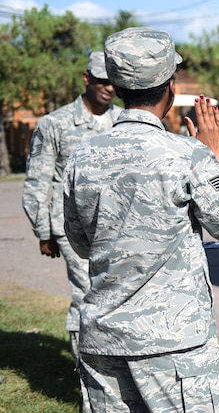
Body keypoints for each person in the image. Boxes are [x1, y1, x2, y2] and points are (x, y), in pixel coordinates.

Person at [62, 27, 219, 412]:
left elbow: (82, 243)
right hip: (175, 347)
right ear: (171, 87)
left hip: (103, 344)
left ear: (116, 86)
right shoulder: (187, 154)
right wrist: (215, 155)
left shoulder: (82, 158)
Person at [22, 51, 121, 411]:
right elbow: (38, 181)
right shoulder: (55, 123)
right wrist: (42, 231)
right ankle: (90, 387)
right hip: (72, 227)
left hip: (117, 227)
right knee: (87, 299)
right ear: (86, 79)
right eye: (102, 81)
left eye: (114, 81)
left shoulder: (124, 121)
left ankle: (116, 377)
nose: (109, 88)